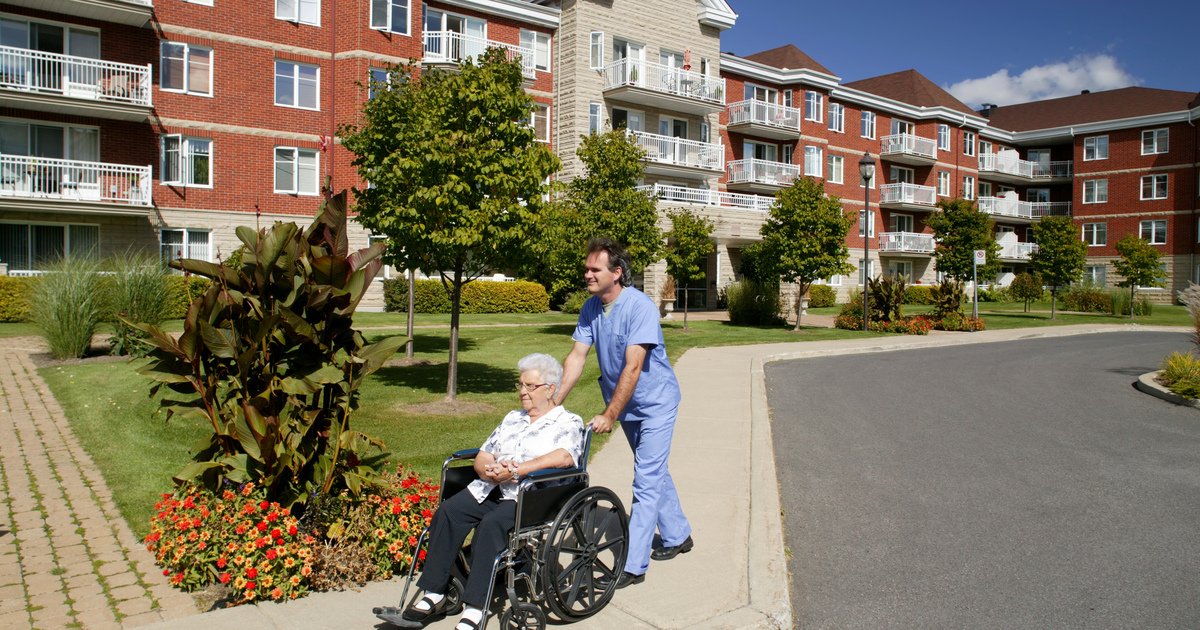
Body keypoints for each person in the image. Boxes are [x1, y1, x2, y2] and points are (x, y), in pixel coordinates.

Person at [394, 353, 584, 630]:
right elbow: (484, 453)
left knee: (491, 526)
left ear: (551, 389)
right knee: (448, 512)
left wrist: (519, 470)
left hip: (530, 496)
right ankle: (434, 593)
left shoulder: (567, 422)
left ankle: (475, 607)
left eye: (530, 386)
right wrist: (486, 470)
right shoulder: (512, 418)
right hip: (492, 487)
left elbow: (565, 457)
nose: (522, 392)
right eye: (520, 384)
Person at [555, 238, 693, 590]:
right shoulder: (591, 308)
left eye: (594, 269)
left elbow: (633, 367)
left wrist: (609, 414)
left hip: (655, 403)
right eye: (586, 268)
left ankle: (633, 565)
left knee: (645, 479)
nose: (587, 274)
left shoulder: (640, 307)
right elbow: (576, 358)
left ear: (616, 273)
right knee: (654, 470)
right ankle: (678, 535)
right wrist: (552, 404)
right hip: (626, 404)